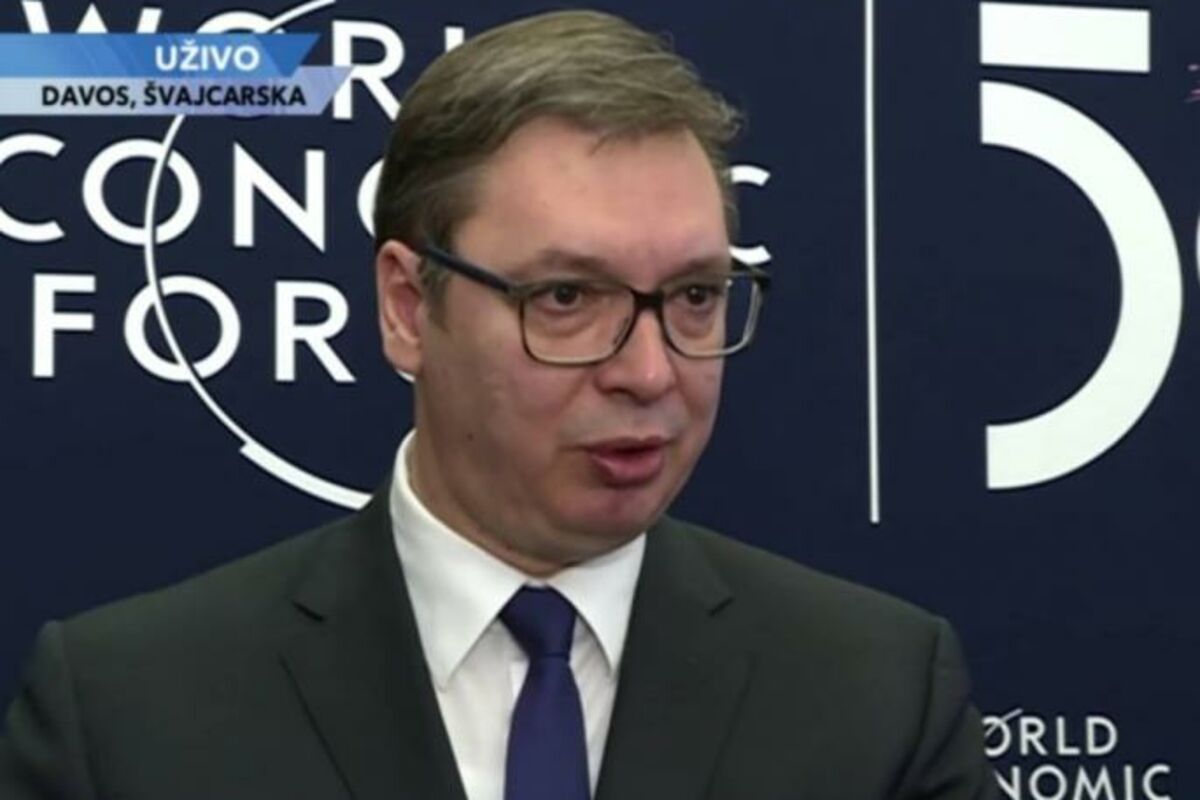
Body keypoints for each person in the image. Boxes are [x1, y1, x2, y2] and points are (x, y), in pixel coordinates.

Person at [1, 9, 999, 800]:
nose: (651, 370)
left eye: (695, 295)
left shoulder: (878, 694)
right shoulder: (126, 710)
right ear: (408, 306)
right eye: (565, 297)